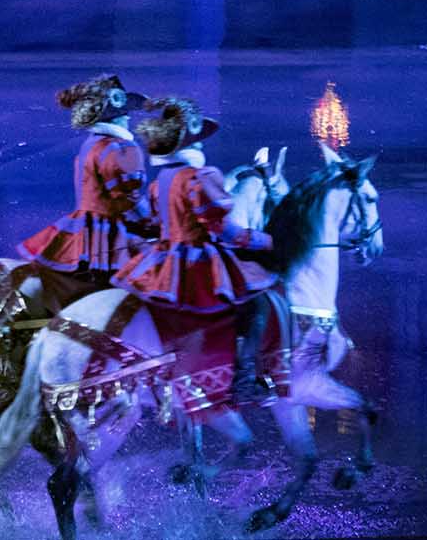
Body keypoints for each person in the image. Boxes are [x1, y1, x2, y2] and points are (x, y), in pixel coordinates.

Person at [111, 98, 278, 402]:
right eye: (199, 139)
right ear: (191, 141)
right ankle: (242, 380)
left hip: (164, 258)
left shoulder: (161, 180)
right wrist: (265, 241)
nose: (202, 144)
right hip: (196, 260)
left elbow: (155, 221)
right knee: (256, 305)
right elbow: (223, 230)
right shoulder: (199, 178)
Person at [18, 74, 158, 300]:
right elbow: (127, 198)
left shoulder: (91, 144)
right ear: (114, 117)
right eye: (124, 113)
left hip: (85, 223)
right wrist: (154, 222)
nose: (128, 117)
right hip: (107, 229)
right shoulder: (120, 148)